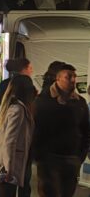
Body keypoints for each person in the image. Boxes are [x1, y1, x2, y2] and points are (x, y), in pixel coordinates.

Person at [33, 63, 89, 197]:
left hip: (72, 159)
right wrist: (39, 156)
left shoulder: (79, 102)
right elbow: (37, 129)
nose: (73, 80)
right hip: (49, 159)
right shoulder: (43, 101)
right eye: (68, 77)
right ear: (57, 78)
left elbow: (86, 130)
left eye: (74, 76)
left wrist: (80, 156)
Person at [0, 75, 36, 197]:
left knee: (1, 192)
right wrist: (9, 169)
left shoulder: (11, 106)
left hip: (5, 164)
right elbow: (9, 141)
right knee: (5, 193)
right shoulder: (18, 109)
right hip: (8, 166)